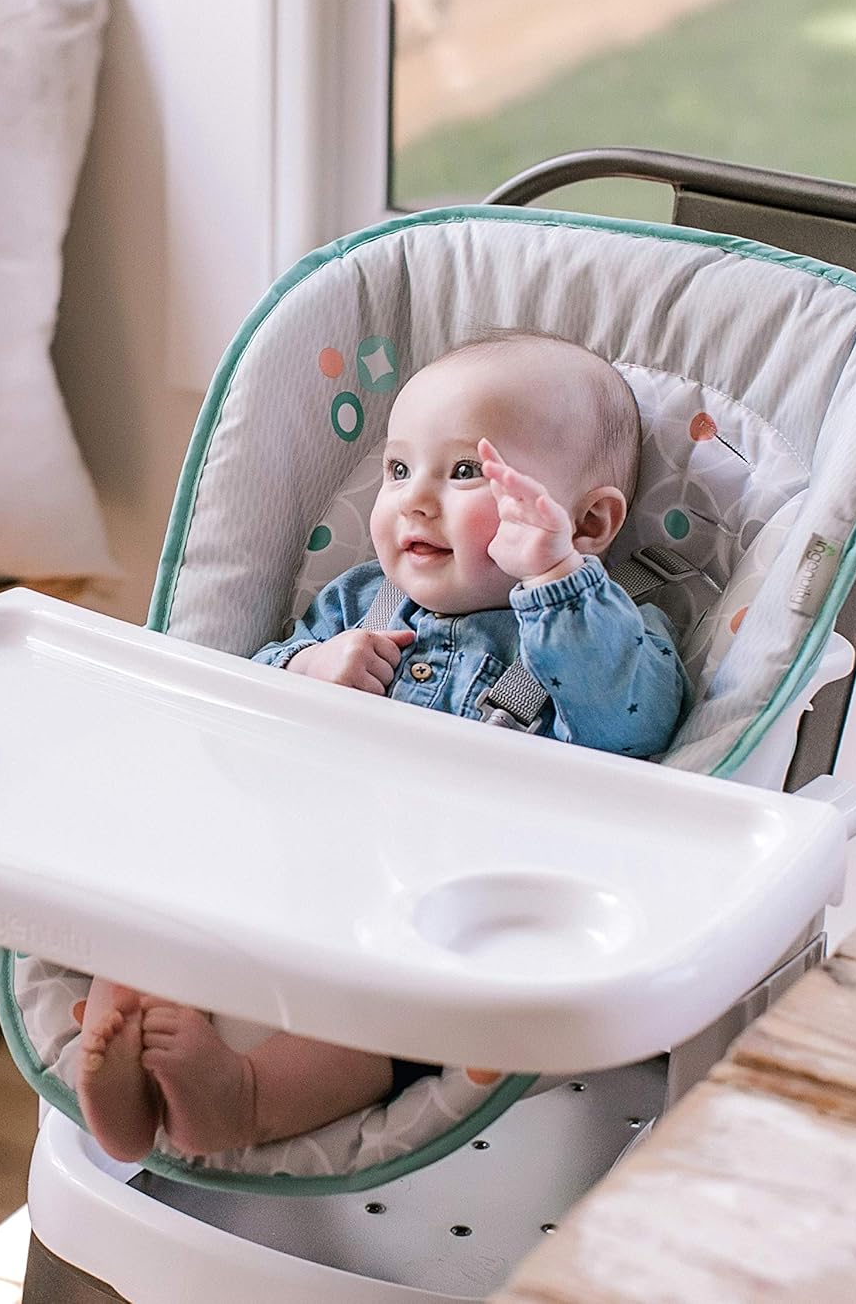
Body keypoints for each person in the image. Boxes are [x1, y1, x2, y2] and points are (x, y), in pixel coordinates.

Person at [75, 330, 689, 1163]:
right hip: (293, 861)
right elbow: (239, 715)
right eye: (399, 470)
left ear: (588, 522)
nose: (415, 500)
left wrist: (556, 581)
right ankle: (123, 1037)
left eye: (466, 472)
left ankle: (244, 1100)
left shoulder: (598, 630)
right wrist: (304, 668)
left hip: (439, 918)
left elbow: (631, 725)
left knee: (385, 1029)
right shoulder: (358, 601)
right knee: (166, 893)